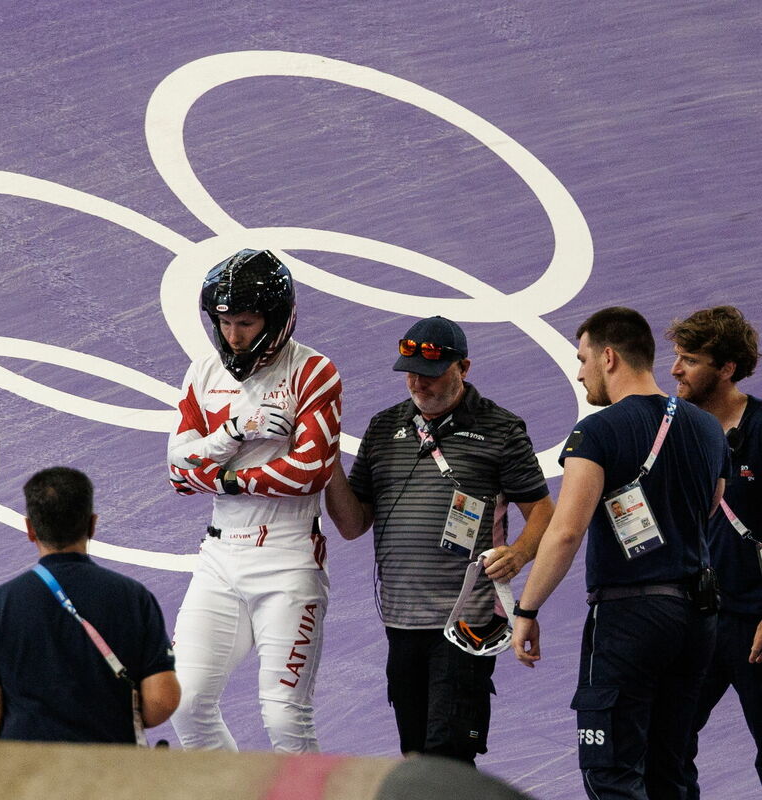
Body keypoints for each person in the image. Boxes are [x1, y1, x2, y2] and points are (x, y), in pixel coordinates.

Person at [512, 307, 731, 799]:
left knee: (612, 773)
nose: (579, 371)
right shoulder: (709, 429)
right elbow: (712, 508)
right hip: (697, 621)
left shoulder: (599, 431)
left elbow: (566, 532)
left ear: (608, 357)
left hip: (631, 618)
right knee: (670, 770)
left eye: (583, 358)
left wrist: (527, 608)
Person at [324, 315, 554, 766]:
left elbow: (544, 512)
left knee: (448, 758)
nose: (418, 383)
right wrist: (327, 457)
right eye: (409, 372)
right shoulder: (382, 428)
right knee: (418, 761)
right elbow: (353, 524)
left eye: (430, 374)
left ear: (463, 368)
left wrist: (521, 552)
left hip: (465, 621)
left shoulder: (501, 430)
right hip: (401, 622)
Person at [165, 248, 342, 753]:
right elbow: (177, 473)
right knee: (184, 701)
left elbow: (311, 471)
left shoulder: (313, 372)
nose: (233, 336)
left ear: (278, 318)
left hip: (288, 560)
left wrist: (226, 479)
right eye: (223, 322)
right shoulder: (202, 372)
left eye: (244, 321)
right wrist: (233, 433)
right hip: (219, 560)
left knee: (285, 718)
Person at [0, 467, 180, 743]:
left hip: (26, 774)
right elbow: (161, 701)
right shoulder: (134, 597)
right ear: (92, 524)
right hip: (112, 773)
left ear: (31, 529)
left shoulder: (1, 604)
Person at [667, 306, 762, 796]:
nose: (675, 369)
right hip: (693, 619)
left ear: (726, 369)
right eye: (677, 356)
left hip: (755, 623)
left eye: (690, 359)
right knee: (665, 742)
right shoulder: (671, 433)